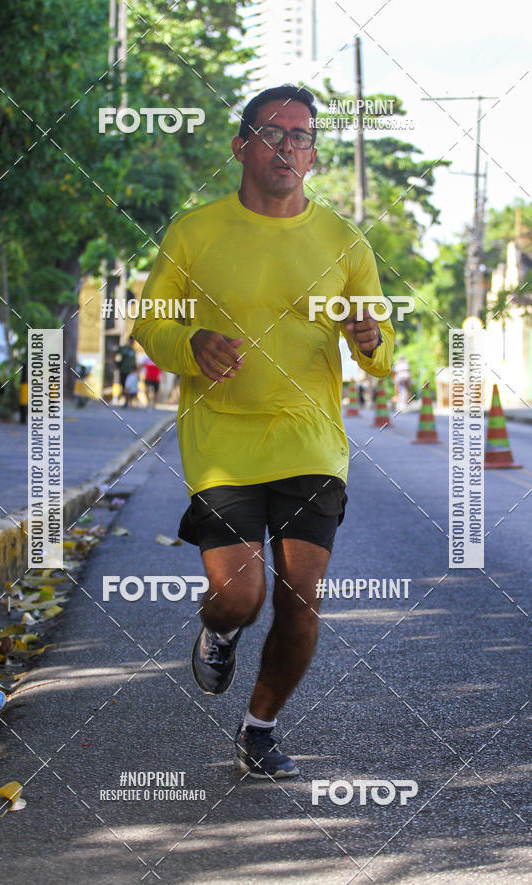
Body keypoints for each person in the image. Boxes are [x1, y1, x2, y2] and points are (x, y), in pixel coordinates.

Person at [132, 84, 394, 780]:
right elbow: (149, 324)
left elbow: (382, 347)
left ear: (313, 152)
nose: (288, 147)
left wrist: (370, 337)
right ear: (240, 144)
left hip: (310, 437)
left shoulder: (343, 240)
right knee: (241, 597)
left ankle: (260, 726)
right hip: (222, 438)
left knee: (300, 596)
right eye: (273, 133)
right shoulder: (195, 231)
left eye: (302, 136)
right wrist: (192, 344)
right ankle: (218, 630)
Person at [114, 335, 136, 401]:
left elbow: (134, 360)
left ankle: (128, 400)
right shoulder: (123, 348)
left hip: (131, 371)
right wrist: (116, 363)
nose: (133, 342)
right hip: (123, 370)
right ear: (129, 340)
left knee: (130, 386)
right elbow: (115, 354)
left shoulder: (133, 350)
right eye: (132, 340)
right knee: (123, 385)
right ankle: (125, 399)